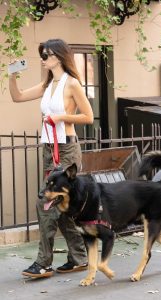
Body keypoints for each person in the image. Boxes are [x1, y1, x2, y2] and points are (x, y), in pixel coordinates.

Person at [9, 38, 94, 278]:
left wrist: (62, 118)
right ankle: (79, 257)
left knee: (45, 203)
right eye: (42, 55)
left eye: (46, 55)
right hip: (49, 149)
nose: (43, 59)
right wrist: (12, 75)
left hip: (66, 150)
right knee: (60, 206)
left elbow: (88, 116)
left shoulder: (72, 84)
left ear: (58, 56)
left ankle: (43, 263)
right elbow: (18, 97)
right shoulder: (48, 84)